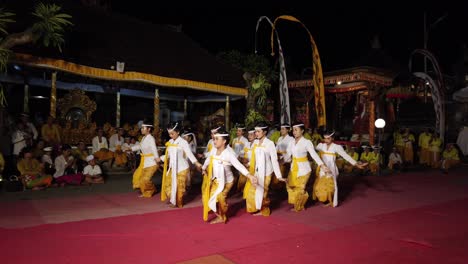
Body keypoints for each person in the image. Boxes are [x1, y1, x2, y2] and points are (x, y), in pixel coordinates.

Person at [201, 129, 256, 224]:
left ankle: (222, 217)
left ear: (224, 141)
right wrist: (203, 168)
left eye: (217, 139)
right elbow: (208, 159)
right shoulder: (213, 150)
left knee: (221, 197)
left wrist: (249, 175)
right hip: (216, 180)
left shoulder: (229, 154)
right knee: (207, 197)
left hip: (227, 182)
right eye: (214, 139)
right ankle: (218, 213)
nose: (214, 141)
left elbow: (239, 166)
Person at [243, 121, 285, 216]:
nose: (256, 133)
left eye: (258, 131)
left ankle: (264, 209)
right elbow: (255, 157)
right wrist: (248, 164)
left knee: (263, 192)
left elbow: (274, 161)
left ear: (265, 132)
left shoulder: (270, 144)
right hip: (257, 171)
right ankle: (255, 207)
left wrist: (278, 176)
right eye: (256, 131)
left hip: (266, 172)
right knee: (252, 191)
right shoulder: (256, 143)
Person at [282, 123, 327, 212]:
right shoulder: (291, 142)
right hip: (293, 168)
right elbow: (287, 156)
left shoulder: (307, 142)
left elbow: (314, 155)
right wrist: (279, 160)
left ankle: (299, 206)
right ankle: (297, 203)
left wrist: (322, 165)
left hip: (304, 169)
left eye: (296, 130)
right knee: (291, 186)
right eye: (293, 130)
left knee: (300, 187)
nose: (294, 132)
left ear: (302, 131)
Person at [315, 131, 366, 207]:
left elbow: (345, 156)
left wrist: (355, 164)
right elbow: (312, 150)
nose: (326, 140)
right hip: (323, 168)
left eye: (328, 138)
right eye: (325, 138)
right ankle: (326, 200)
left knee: (333, 185)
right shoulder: (320, 146)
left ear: (332, 138)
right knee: (322, 185)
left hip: (331, 168)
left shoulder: (336, 147)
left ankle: (333, 202)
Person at [160, 122, 202, 207]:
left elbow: (189, 154)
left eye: (172, 133)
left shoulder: (183, 142)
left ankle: (178, 202)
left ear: (178, 132)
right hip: (173, 168)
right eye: (169, 134)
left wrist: (197, 163)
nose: (171, 135)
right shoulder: (170, 141)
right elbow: (169, 155)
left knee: (179, 188)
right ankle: (173, 200)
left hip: (182, 168)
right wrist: (160, 158)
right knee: (168, 185)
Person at [126, 121, 159, 197]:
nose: (141, 129)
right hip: (144, 162)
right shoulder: (144, 138)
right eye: (141, 128)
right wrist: (130, 149)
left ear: (149, 129)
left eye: (143, 128)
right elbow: (140, 146)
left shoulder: (151, 138)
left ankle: (151, 190)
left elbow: (154, 149)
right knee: (137, 176)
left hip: (152, 162)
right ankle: (146, 191)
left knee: (145, 179)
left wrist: (157, 158)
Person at [274, 123, 294, 191]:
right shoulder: (279, 138)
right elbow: (276, 148)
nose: (281, 130)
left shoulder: (291, 139)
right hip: (279, 158)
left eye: (283, 129)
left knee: (284, 175)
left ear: (288, 130)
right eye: (281, 129)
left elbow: (289, 151)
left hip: (286, 160)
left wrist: (283, 159)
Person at [236, 128, 256, 192]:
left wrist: (249, 163)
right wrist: (240, 157)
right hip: (245, 164)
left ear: (255, 135)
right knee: (242, 181)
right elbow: (242, 151)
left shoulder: (257, 144)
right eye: (249, 135)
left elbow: (256, 157)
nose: (249, 136)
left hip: (253, 166)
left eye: (251, 135)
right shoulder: (247, 143)